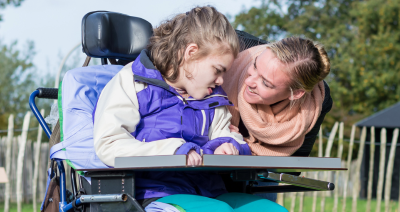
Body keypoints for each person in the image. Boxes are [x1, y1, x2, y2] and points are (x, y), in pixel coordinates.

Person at [92, 6, 287, 212]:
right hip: (154, 193)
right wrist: (174, 150)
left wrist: (229, 146)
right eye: (217, 70)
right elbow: (109, 144)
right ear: (191, 53)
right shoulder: (132, 82)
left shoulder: (215, 96)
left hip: (209, 191)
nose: (221, 80)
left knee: (273, 210)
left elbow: (226, 133)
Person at [223, 37, 332, 157]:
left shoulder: (318, 102)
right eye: (254, 65)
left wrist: (239, 146)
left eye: (265, 83)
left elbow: (290, 169)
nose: (248, 81)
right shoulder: (230, 47)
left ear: (295, 94)